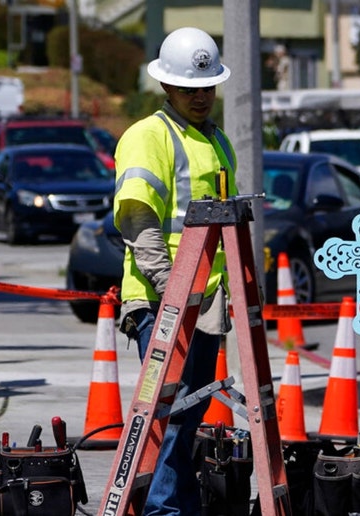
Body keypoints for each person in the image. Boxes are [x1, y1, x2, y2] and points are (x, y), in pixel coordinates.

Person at [112, 26, 236, 515]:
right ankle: (165, 510)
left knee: (189, 412)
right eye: (190, 88)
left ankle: (179, 505)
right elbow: (140, 223)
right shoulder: (148, 137)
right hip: (164, 302)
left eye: (207, 87)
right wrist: (171, 291)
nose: (201, 96)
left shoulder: (217, 140)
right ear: (166, 87)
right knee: (167, 414)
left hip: (205, 302)